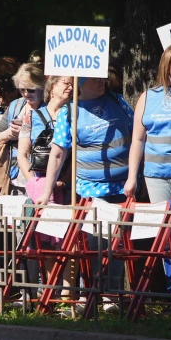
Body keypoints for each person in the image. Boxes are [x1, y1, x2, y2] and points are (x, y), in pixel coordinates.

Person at [36, 77, 134, 312]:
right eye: (94, 79)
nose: (102, 82)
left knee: (115, 245)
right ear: (80, 84)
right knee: (89, 246)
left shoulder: (118, 101)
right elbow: (58, 153)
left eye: (102, 78)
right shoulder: (69, 112)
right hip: (88, 191)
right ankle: (89, 295)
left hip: (121, 189)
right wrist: (46, 191)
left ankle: (112, 295)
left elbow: (139, 135)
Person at [125, 44, 171, 202]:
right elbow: (137, 140)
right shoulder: (148, 97)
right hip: (155, 175)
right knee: (162, 225)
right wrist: (132, 177)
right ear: (167, 66)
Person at [0, 64, 46, 195]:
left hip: (42, 176)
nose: (26, 94)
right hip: (14, 177)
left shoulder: (51, 108)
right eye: (22, 90)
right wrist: (9, 133)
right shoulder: (16, 105)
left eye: (31, 90)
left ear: (42, 87)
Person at [18, 75, 72, 205]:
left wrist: (63, 181)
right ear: (52, 86)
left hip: (66, 187)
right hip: (37, 184)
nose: (70, 87)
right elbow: (23, 155)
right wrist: (35, 184)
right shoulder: (30, 117)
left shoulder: (75, 116)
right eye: (66, 83)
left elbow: (77, 154)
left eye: (73, 85)